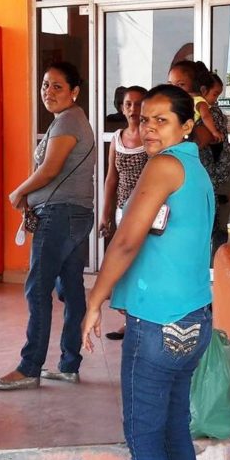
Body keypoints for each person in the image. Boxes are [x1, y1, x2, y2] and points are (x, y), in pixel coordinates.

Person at [82, 84, 215, 460]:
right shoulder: (195, 169)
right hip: (193, 319)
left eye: (162, 120)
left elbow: (126, 240)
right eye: (144, 120)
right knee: (174, 435)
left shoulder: (164, 167)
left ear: (187, 125)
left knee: (146, 442)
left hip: (158, 324)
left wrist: (95, 300)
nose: (148, 129)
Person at [0, 61, 96, 390]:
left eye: (57, 86)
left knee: (38, 288)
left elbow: (49, 169)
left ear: (74, 92)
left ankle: (29, 367)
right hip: (74, 212)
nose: (48, 92)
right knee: (71, 288)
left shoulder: (68, 121)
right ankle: (68, 365)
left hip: (60, 214)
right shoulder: (71, 119)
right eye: (45, 85)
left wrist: (19, 192)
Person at [167, 62, 230, 260]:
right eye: (170, 84)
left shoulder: (209, 112)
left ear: (198, 89)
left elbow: (199, 140)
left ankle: (214, 267)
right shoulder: (179, 111)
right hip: (188, 180)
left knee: (208, 231)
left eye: (181, 85)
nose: (174, 90)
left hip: (209, 181)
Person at [99, 85, 147, 341]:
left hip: (147, 213)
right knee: (126, 267)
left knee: (143, 266)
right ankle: (130, 321)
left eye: (139, 104)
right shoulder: (117, 138)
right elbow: (111, 178)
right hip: (122, 212)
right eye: (128, 104)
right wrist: (105, 213)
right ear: (121, 107)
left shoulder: (151, 137)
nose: (133, 109)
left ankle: (143, 321)